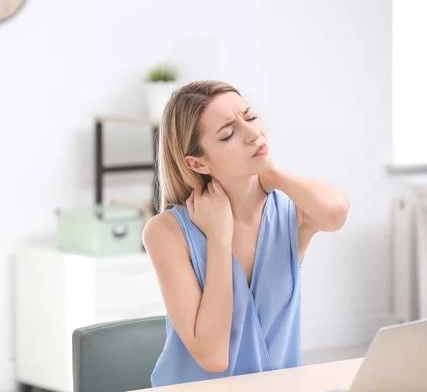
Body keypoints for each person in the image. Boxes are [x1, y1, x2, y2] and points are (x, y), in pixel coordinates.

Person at [142, 80, 349, 387]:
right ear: (198, 162)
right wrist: (219, 238)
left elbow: (334, 213)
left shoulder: (289, 210)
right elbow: (213, 357)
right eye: (229, 133)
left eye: (250, 117)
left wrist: (273, 174)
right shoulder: (166, 232)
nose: (254, 134)